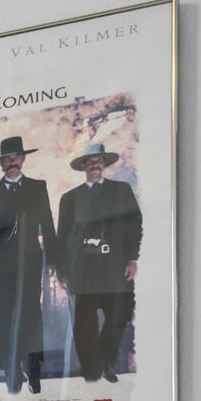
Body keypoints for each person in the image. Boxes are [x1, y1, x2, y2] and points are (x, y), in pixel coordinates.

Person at [54, 143, 143, 382]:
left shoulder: (121, 191)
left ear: (104, 164)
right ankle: (92, 370)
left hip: (115, 267)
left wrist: (132, 258)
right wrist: (62, 270)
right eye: (90, 161)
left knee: (119, 315)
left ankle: (107, 361)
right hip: (83, 269)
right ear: (83, 166)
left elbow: (135, 225)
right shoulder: (70, 198)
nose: (95, 165)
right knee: (84, 324)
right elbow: (63, 236)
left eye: (99, 160)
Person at [0, 134, 55, 393]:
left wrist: (53, 260)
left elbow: (47, 225)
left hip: (30, 263)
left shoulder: (37, 188)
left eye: (15, 157)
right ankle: (11, 370)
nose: (11, 162)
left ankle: (33, 371)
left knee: (30, 314)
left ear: (22, 159)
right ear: (1, 163)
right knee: (4, 316)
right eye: (6, 159)